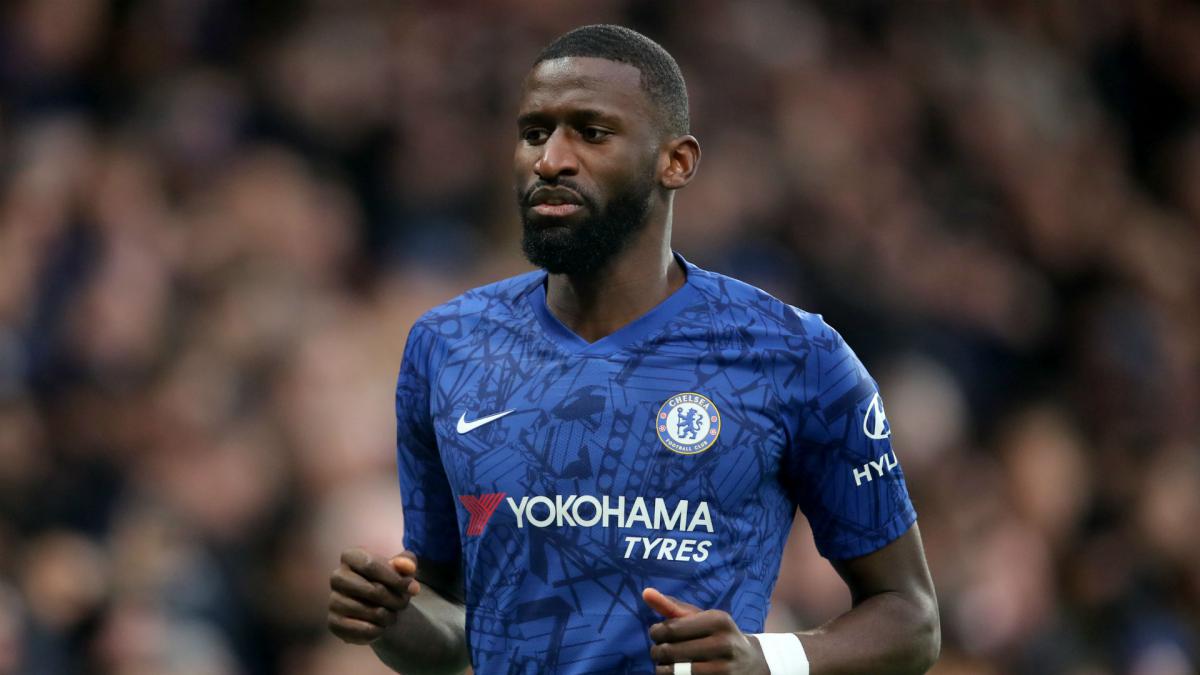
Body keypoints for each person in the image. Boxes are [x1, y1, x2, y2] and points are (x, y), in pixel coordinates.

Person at [328, 24, 939, 675]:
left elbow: (911, 616)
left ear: (675, 161)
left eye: (591, 133)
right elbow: (457, 632)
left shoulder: (796, 355)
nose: (551, 160)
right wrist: (395, 621)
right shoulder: (446, 345)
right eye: (535, 132)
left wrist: (767, 659)